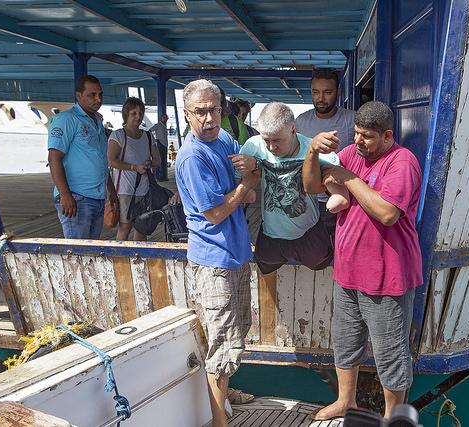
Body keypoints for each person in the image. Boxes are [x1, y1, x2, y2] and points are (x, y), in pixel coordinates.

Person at [302, 101, 423, 420]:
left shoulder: (403, 161)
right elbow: (312, 186)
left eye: (367, 136)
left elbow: (387, 213)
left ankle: (391, 418)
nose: (358, 142)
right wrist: (313, 152)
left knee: (391, 354)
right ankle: (346, 401)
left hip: (388, 277)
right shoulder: (351, 155)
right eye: (356, 134)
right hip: (347, 273)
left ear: (387, 135)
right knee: (345, 342)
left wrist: (349, 178)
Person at [175, 79, 259, 427]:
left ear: (222, 110)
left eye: (213, 110)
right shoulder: (191, 157)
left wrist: (249, 171)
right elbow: (217, 212)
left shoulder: (225, 139)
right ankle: (218, 421)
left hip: (236, 253)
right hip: (213, 262)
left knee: (237, 328)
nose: (208, 118)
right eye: (200, 112)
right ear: (187, 114)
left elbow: (248, 181)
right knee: (223, 341)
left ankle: (225, 390)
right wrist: (247, 183)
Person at [234, 102, 341, 274]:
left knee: (322, 263)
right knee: (264, 264)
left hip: (309, 233)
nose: (271, 147)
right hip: (271, 236)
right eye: (266, 140)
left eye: (277, 140)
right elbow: (238, 183)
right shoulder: (253, 146)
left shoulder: (313, 150)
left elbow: (337, 181)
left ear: (293, 130)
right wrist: (249, 176)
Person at [48, 75, 118, 239]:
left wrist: (111, 190)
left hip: (98, 198)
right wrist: (65, 195)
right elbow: (54, 158)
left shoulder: (98, 121)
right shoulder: (66, 120)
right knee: (78, 255)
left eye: (100, 94)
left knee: (90, 254)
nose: (98, 99)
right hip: (77, 198)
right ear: (78, 96)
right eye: (92, 95)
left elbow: (99, 159)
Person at [296, 68, 356, 236]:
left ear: (338, 92)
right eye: (316, 92)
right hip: (308, 201)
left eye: (327, 92)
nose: (320, 99)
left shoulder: (353, 120)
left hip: (346, 200)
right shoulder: (300, 122)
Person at [107, 97, 160, 241]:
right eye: (134, 113)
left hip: (145, 189)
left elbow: (158, 160)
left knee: (142, 228)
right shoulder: (118, 135)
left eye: (140, 113)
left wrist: (150, 164)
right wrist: (134, 167)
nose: (138, 116)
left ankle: (139, 260)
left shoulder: (148, 136)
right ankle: (120, 260)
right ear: (126, 115)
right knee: (125, 227)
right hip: (125, 190)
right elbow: (111, 161)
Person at [149, 113, 170, 181]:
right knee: (159, 161)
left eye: (166, 118)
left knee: (164, 161)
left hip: (165, 145)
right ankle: (158, 176)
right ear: (161, 118)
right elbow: (149, 131)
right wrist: (155, 140)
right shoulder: (158, 125)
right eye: (164, 118)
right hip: (160, 144)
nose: (165, 119)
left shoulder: (164, 126)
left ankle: (163, 176)